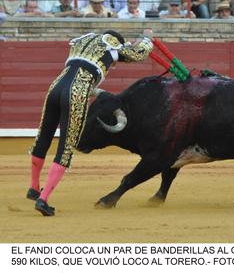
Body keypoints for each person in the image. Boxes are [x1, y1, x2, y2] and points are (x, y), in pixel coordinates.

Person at [27, 29, 154, 216]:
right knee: (66, 147)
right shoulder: (112, 44)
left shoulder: (82, 41)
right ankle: (43, 199)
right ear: (116, 41)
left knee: (43, 137)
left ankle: (34, 187)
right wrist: (147, 40)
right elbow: (138, 54)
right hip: (76, 90)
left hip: (56, 86)